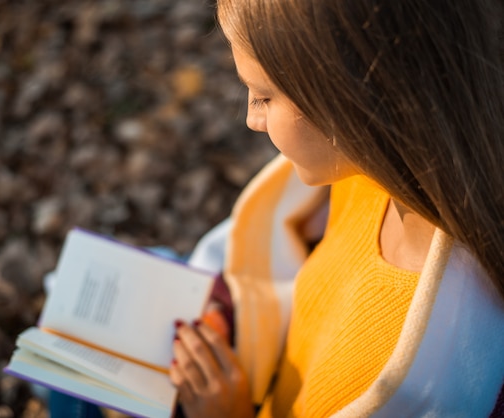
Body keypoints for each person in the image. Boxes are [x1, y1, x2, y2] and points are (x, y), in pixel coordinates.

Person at [169, 0, 504, 417]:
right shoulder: (367, 177)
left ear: (352, 100)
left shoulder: (422, 383)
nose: (253, 119)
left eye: (264, 96)